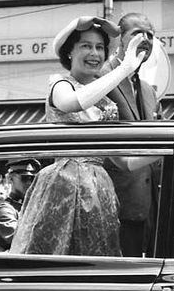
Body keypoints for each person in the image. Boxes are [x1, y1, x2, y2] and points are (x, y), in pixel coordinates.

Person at [11, 16, 152, 256]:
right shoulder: (60, 85)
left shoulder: (108, 104)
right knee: (55, 257)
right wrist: (124, 69)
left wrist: (166, 151)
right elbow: (73, 102)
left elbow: (124, 162)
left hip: (99, 191)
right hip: (62, 185)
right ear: (69, 53)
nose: (94, 53)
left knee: (95, 262)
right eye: (85, 46)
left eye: (99, 47)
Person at [99, 12, 162, 257]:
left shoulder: (148, 90)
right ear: (120, 40)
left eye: (150, 35)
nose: (145, 39)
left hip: (151, 206)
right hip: (116, 207)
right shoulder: (102, 78)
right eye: (137, 33)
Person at [0, 159, 40, 252]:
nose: (29, 183)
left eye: (32, 179)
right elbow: (22, 239)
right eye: (25, 178)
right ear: (10, 178)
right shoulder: (5, 210)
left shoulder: (33, 206)